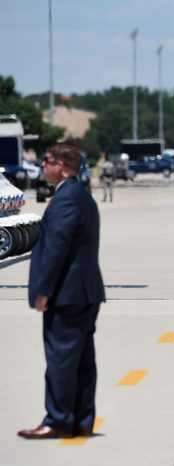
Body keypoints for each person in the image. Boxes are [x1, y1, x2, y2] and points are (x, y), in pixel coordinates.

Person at [19, 143, 106, 439]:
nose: (42, 165)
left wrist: (43, 290)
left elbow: (57, 248)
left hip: (67, 294)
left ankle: (57, 421)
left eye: (47, 161)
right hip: (84, 292)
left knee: (60, 359)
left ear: (63, 166)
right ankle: (81, 420)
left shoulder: (66, 199)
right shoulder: (80, 195)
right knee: (81, 361)